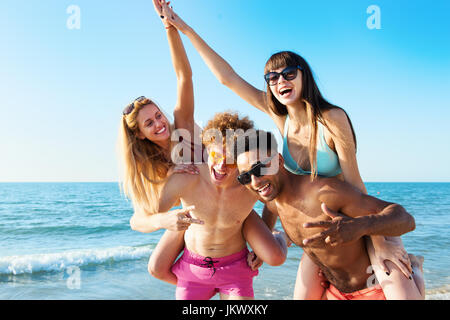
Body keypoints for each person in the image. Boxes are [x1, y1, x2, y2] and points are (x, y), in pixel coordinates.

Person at [157, 2, 424, 299]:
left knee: (398, 282)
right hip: (315, 228)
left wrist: (377, 236)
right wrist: (182, 27)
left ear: (303, 75)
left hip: (351, 216)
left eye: (288, 74)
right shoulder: (280, 118)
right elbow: (227, 78)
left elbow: (354, 182)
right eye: (273, 78)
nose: (280, 81)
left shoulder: (332, 118)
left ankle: (415, 271)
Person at [235, 131, 425, 300]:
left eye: (259, 169)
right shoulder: (270, 198)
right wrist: (262, 247)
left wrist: (360, 226)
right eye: (245, 177)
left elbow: (405, 219)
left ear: (279, 160)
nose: (254, 181)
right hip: (334, 290)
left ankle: (415, 269)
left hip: (376, 287)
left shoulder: (323, 192)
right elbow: (270, 210)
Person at [137, 111, 287, 300]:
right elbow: (138, 221)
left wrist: (267, 230)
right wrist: (162, 220)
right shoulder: (187, 176)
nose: (221, 165)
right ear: (207, 149)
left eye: (231, 161)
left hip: (236, 269)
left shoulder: (248, 183)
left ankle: (279, 237)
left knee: (275, 257)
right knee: (156, 268)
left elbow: (273, 202)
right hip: (193, 272)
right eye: (215, 155)